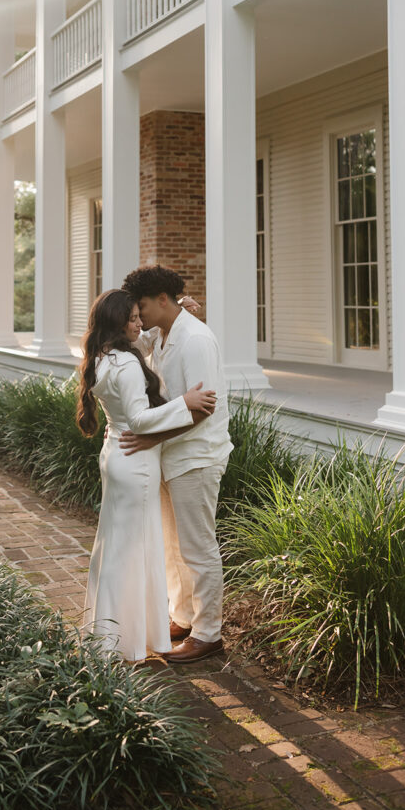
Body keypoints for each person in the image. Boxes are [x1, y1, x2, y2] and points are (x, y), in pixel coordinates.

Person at [76, 288, 216, 662]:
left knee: (117, 546)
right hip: (134, 461)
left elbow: (150, 336)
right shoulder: (126, 363)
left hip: (116, 455)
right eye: (134, 318)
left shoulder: (103, 357)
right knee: (136, 550)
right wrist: (182, 404)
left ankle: (110, 631)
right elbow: (138, 419)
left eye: (142, 315)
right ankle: (126, 639)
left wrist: (179, 308)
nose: (142, 324)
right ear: (120, 323)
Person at [120, 265, 233, 664]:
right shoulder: (162, 331)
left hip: (196, 457)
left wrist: (150, 438)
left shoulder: (196, 339)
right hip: (171, 455)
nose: (140, 314)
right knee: (173, 547)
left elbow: (203, 407)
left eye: (144, 305)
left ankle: (209, 634)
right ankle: (183, 618)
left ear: (163, 300)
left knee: (199, 548)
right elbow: (137, 336)